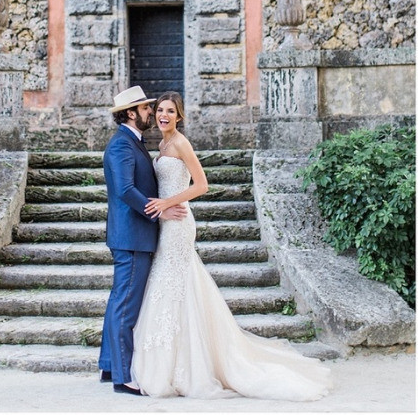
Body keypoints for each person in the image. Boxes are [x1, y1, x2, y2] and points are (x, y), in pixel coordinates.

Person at [131, 91, 333, 401]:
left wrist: (166, 203)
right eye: (160, 110)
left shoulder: (181, 143)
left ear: (179, 116)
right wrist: (161, 208)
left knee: (174, 283)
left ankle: (183, 368)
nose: (164, 115)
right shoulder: (160, 145)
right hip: (166, 222)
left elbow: (201, 185)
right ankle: (169, 363)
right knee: (173, 286)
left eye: (170, 111)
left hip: (179, 223)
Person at [98, 86, 187, 396]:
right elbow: (125, 190)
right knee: (126, 305)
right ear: (132, 113)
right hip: (133, 236)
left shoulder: (132, 142)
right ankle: (123, 377)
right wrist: (159, 211)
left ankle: (110, 365)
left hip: (132, 234)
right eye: (148, 109)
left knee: (119, 301)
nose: (152, 113)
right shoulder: (122, 145)